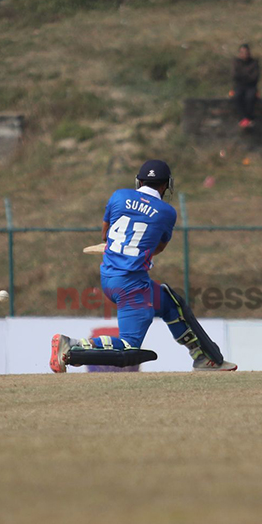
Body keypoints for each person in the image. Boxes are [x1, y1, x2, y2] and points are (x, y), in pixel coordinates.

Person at [50, 160, 236, 373]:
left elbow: (105, 236)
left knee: (169, 303)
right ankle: (70, 345)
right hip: (131, 286)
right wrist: (142, 251)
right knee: (130, 345)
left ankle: (203, 357)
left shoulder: (119, 196)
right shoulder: (167, 212)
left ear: (139, 181)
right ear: (166, 185)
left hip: (111, 276)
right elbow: (159, 247)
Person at [231, 44, 259, 130]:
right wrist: (246, 75)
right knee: (237, 96)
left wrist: (243, 76)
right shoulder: (236, 62)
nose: (245, 54)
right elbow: (235, 75)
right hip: (239, 86)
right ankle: (243, 118)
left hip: (251, 86)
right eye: (243, 52)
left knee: (250, 97)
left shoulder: (254, 63)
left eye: (246, 52)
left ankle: (249, 118)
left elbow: (254, 77)